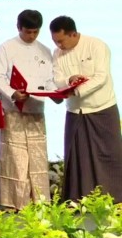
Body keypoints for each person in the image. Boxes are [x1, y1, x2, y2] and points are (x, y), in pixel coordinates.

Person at [49, 15, 122, 203]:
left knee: (110, 155)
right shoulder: (57, 53)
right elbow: (57, 79)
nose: (58, 45)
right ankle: (78, 199)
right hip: (75, 112)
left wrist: (77, 90)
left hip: (102, 108)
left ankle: (114, 199)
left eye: (61, 41)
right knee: (77, 158)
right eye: (55, 41)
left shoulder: (97, 45)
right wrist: (68, 80)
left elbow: (101, 77)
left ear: (73, 34)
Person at [0, 10, 58, 210]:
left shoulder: (45, 50)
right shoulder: (7, 47)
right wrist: (13, 93)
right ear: (18, 27)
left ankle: (40, 201)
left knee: (38, 157)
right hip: (14, 110)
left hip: (36, 110)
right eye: (28, 32)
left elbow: (50, 80)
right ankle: (14, 201)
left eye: (35, 32)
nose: (31, 36)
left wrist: (56, 93)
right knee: (15, 158)